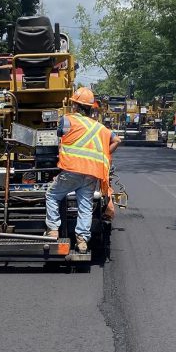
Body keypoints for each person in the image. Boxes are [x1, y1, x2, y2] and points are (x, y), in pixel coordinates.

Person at [45, 87, 121, 253]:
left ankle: (53, 231)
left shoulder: (68, 120)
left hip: (72, 171)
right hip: (91, 173)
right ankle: (82, 241)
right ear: (90, 107)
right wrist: (105, 154)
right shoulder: (100, 127)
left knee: (52, 195)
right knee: (85, 206)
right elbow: (117, 140)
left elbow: (58, 135)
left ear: (75, 106)